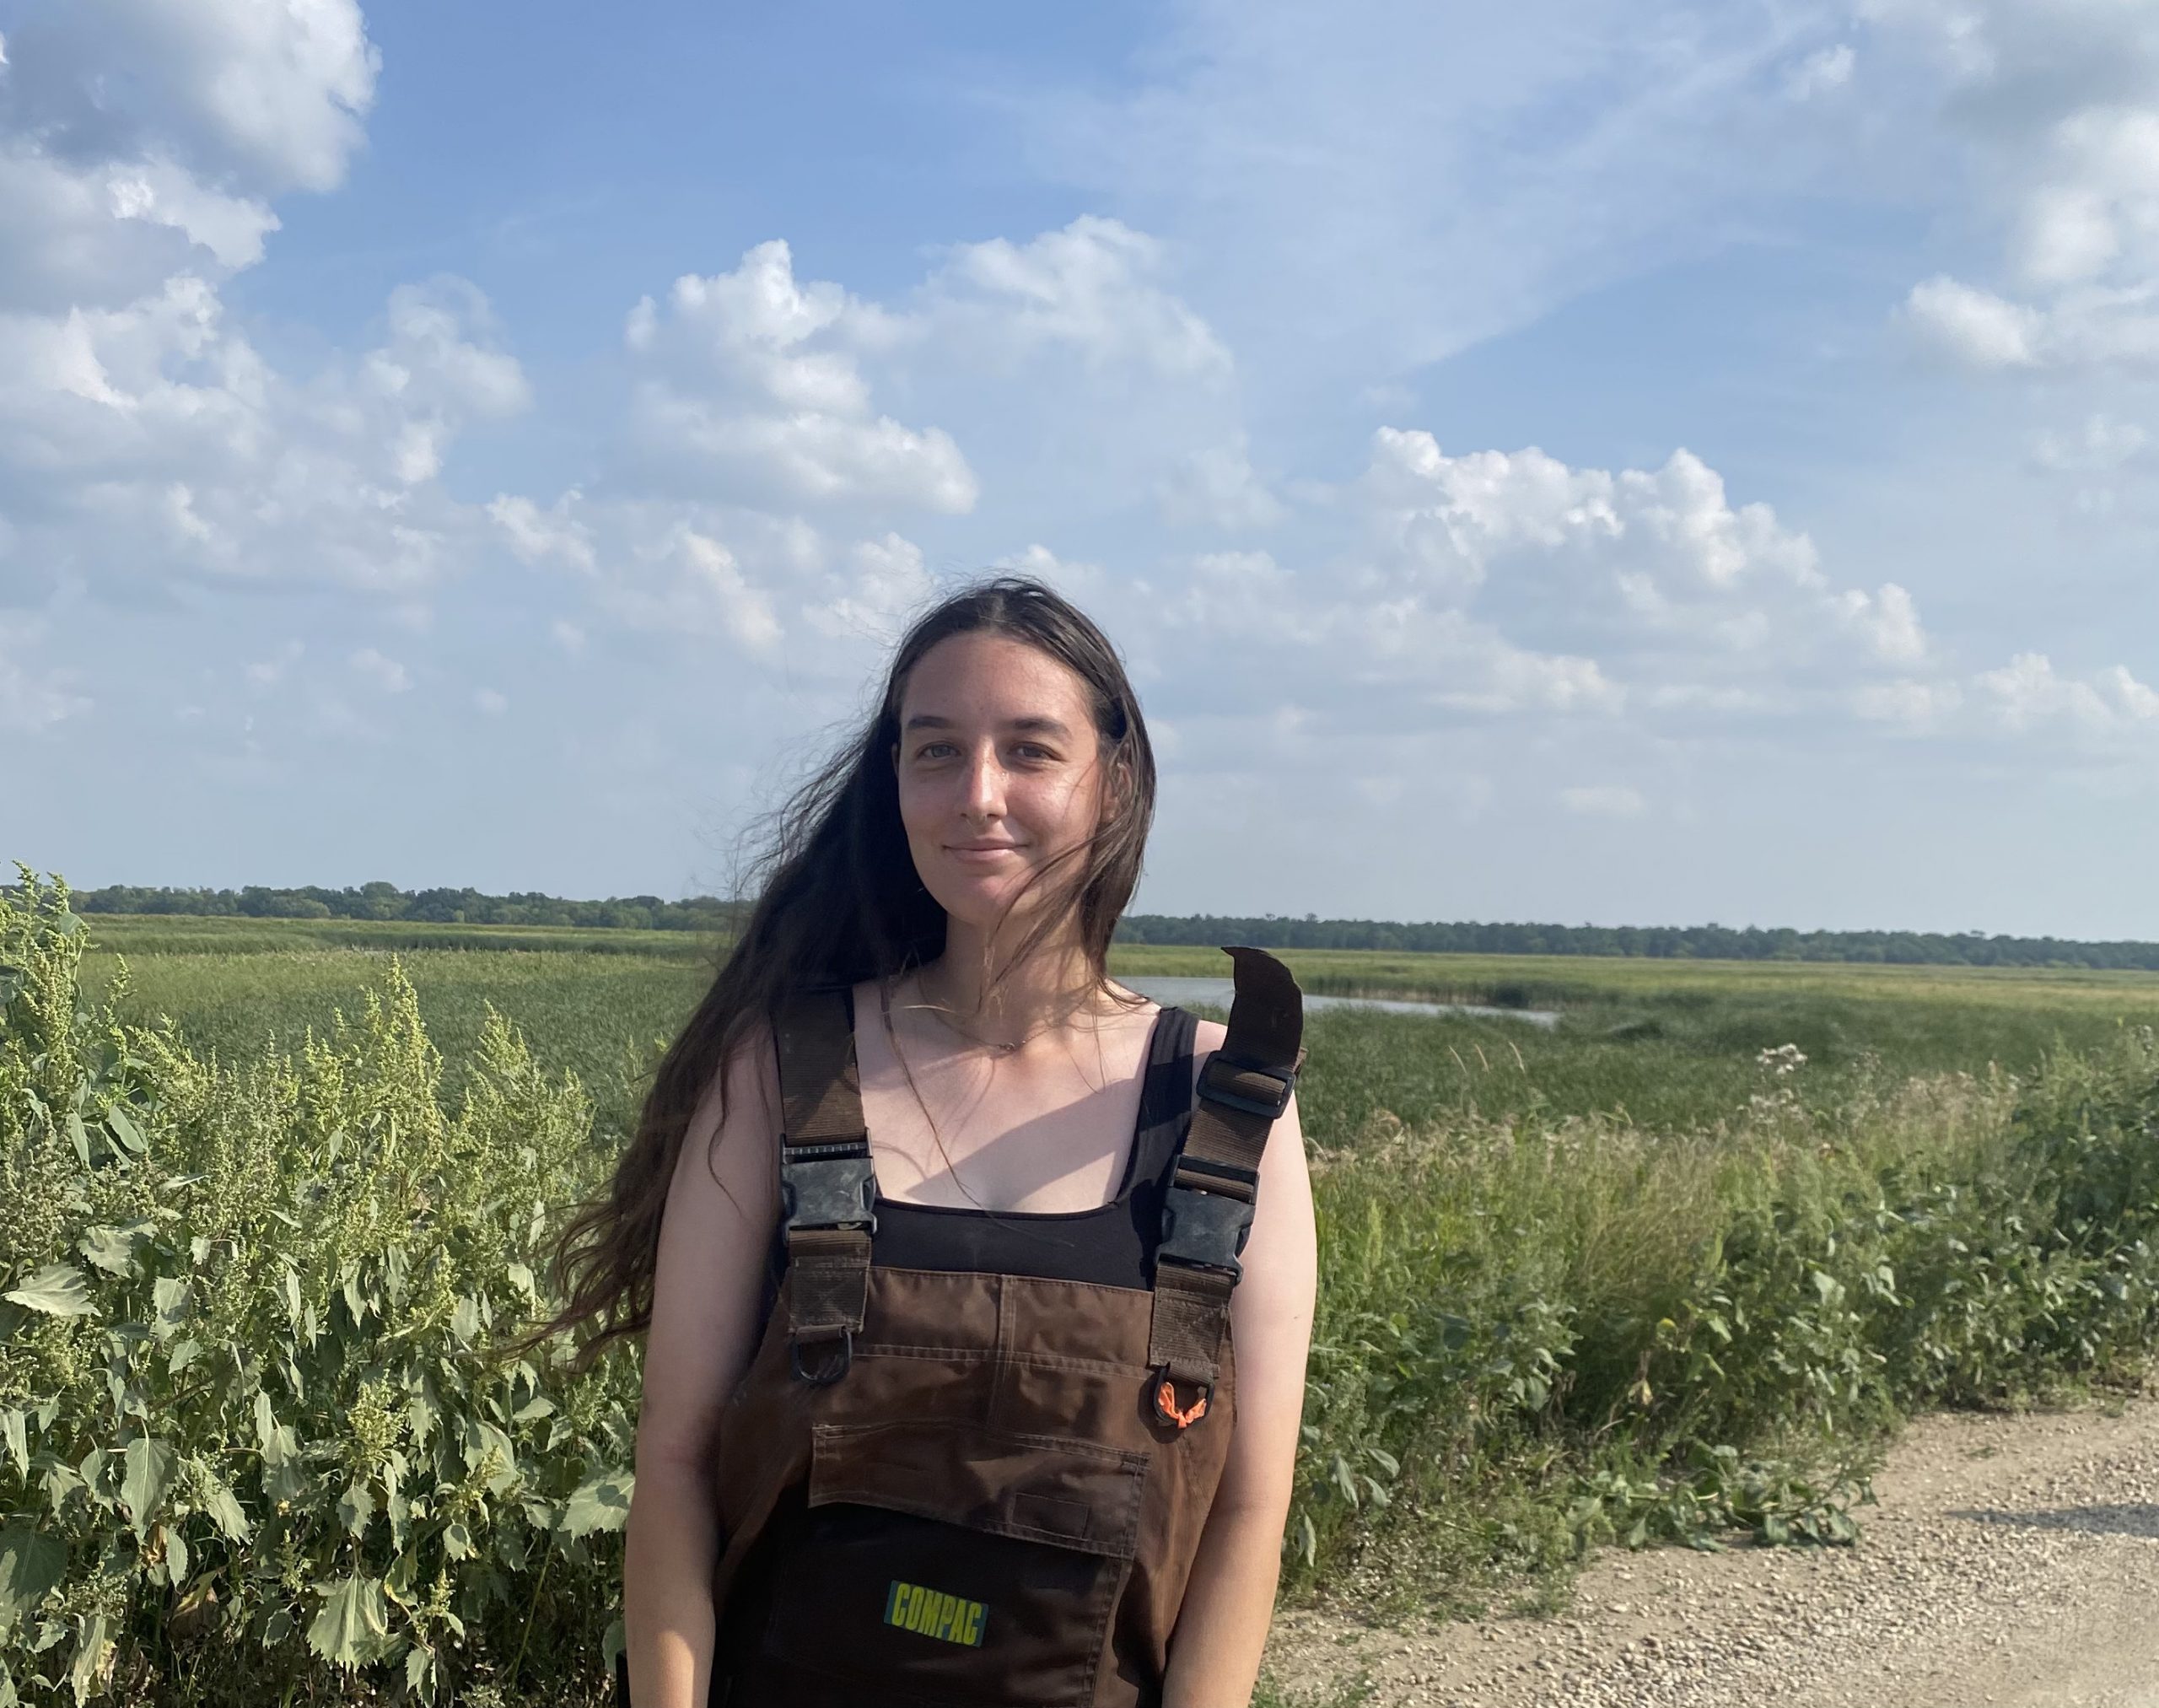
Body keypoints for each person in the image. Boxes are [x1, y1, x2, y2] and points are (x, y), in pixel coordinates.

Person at [546, 575, 1317, 1707]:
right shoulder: (777, 1072)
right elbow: (673, 1466)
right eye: (936, 750)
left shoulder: (1227, 1102)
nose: (979, 795)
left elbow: (1249, 1508)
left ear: (1115, 781)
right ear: (894, 780)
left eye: (1031, 750)